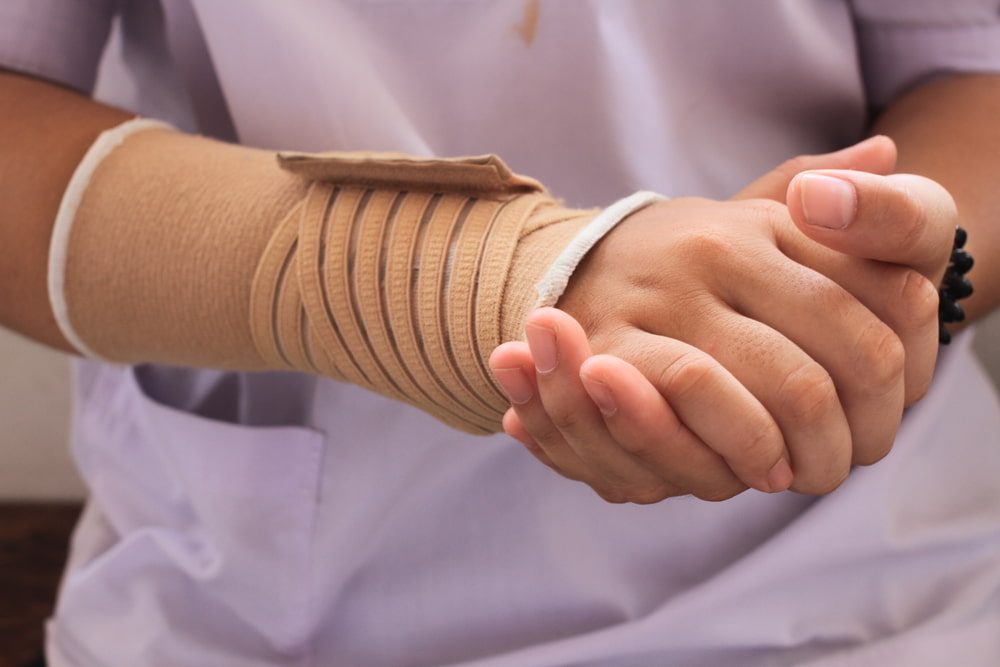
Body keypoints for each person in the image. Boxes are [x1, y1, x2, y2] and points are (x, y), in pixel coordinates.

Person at [0, 1, 998, 665]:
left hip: (871, 591)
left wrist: (872, 292)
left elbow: (972, 72)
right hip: (262, 621)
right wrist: (486, 277)